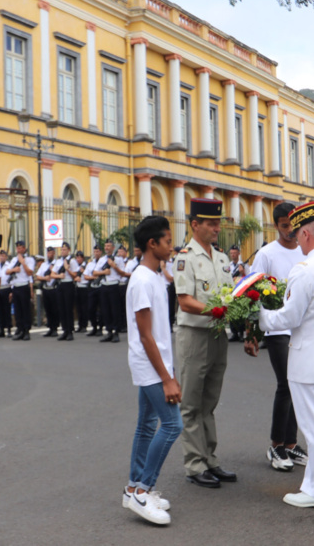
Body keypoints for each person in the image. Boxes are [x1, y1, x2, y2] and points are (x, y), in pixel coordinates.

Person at [247, 200, 314, 510]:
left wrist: (260, 317)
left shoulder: (304, 270)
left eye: (298, 234)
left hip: (310, 361)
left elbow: (289, 318)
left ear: (305, 234)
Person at [122, 215, 181, 526]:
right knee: (172, 426)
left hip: (157, 364)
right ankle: (143, 492)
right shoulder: (142, 280)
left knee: (147, 425)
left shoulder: (156, 276)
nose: (171, 247)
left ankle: (133, 487)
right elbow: (145, 335)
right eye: (168, 242)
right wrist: (167, 378)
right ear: (152, 244)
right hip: (150, 366)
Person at [174, 198, 236, 489]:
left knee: (209, 402)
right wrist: (215, 311)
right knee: (190, 404)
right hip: (194, 336)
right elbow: (185, 302)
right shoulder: (185, 258)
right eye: (211, 223)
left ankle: (210, 459)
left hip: (217, 335)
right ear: (195, 224)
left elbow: (230, 295)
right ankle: (194, 464)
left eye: (218, 222)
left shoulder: (222, 258)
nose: (216, 228)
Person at [249, 202, 308, 472]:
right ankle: (276, 444)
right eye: (285, 226)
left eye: (293, 225)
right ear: (276, 225)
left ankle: (291, 444)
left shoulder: (305, 252)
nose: (290, 231)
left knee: (299, 382)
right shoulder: (265, 255)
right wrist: (251, 334)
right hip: (276, 329)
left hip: (302, 327)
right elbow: (251, 293)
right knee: (286, 383)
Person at [93, 240, 125, 343]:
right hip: (104, 286)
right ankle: (109, 331)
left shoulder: (119, 259)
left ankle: (116, 332)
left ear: (113, 248)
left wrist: (114, 266)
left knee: (115, 310)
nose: (107, 248)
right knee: (105, 310)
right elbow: (94, 272)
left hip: (114, 286)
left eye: (109, 246)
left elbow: (123, 273)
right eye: (106, 246)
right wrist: (104, 272)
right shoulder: (102, 260)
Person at [6, 240, 36, 341]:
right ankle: (20, 329)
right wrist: (14, 270)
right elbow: (7, 271)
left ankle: (26, 331)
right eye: (17, 248)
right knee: (18, 310)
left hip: (24, 286)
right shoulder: (14, 259)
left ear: (24, 248)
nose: (18, 249)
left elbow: (30, 273)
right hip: (15, 287)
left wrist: (23, 263)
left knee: (25, 310)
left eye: (20, 247)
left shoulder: (29, 259)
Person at [51, 242, 78, 341]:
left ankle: (70, 331)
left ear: (69, 250)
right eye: (62, 249)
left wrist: (67, 269)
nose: (63, 251)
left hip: (68, 285)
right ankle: (64, 330)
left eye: (65, 249)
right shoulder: (58, 261)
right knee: (61, 309)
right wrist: (59, 276)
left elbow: (75, 275)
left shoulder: (72, 261)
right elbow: (52, 274)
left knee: (68, 309)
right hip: (60, 285)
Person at [34, 247, 59, 338]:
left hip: (54, 288)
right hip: (46, 288)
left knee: (54, 309)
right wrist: (45, 278)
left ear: (54, 254)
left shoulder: (57, 264)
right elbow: (38, 276)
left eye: (51, 253)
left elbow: (58, 275)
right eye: (48, 253)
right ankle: (50, 328)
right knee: (48, 309)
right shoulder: (44, 265)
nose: (50, 255)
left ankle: (55, 328)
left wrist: (52, 276)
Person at [227, 244, 248, 342]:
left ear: (239, 253)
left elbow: (248, 277)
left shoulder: (244, 264)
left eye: (235, 253)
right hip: (231, 290)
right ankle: (234, 332)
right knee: (232, 311)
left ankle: (240, 333)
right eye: (231, 253)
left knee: (240, 311)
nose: (233, 255)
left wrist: (242, 272)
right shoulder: (229, 265)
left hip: (241, 290)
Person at [84, 246, 104, 336]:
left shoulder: (104, 262)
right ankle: (94, 327)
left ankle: (100, 328)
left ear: (101, 252)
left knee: (102, 309)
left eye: (98, 251)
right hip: (92, 287)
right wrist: (94, 277)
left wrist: (96, 276)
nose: (96, 253)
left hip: (101, 287)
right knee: (90, 308)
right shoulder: (90, 264)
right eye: (95, 251)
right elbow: (85, 276)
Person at [0, 250, 14, 338]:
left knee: (7, 310)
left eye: (3, 256)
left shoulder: (9, 265)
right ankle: (1, 330)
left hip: (7, 288)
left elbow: (13, 278)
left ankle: (9, 330)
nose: (2, 257)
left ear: (6, 257)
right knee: (0, 310)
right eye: (0, 256)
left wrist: (11, 291)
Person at [114, 246, 131, 334]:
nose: (119, 253)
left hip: (125, 284)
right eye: (118, 252)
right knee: (119, 307)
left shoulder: (130, 262)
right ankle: (120, 325)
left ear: (125, 252)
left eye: (121, 252)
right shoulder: (116, 261)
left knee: (125, 306)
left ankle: (125, 325)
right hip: (118, 285)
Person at [74, 251, 90, 333]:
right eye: (77, 257)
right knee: (79, 308)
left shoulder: (86, 265)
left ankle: (84, 325)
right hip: (78, 287)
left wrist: (82, 272)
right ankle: (80, 325)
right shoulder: (77, 266)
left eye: (79, 257)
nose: (78, 259)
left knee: (84, 308)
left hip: (84, 287)